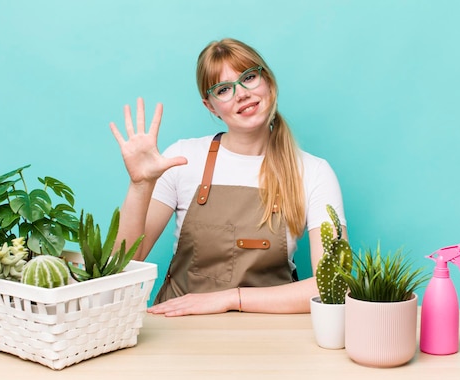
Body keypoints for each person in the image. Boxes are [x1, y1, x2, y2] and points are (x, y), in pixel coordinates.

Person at [109, 38, 346, 317]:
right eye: (224, 89)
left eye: (249, 77)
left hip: (273, 336)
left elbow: (333, 286)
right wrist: (140, 186)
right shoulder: (184, 158)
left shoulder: (314, 172)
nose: (241, 93)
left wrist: (230, 299)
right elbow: (121, 267)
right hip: (178, 332)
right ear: (210, 106)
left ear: (267, 81)